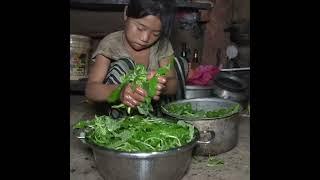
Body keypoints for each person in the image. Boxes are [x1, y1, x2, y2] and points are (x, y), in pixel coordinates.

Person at [85, 0, 178, 115]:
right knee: (123, 64)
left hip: (153, 115)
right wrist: (120, 92)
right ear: (126, 13)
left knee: (179, 64)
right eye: (140, 28)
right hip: (119, 115)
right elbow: (91, 90)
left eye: (155, 34)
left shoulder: (162, 45)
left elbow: (173, 84)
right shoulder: (111, 44)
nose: (145, 38)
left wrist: (161, 85)